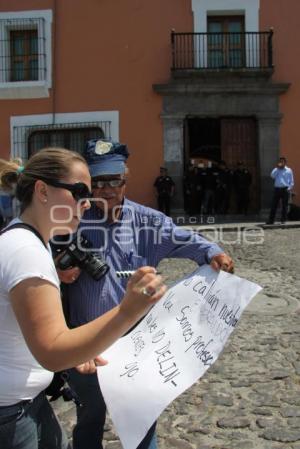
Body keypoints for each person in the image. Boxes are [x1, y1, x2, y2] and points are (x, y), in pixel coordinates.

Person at [58, 138, 234, 449]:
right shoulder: (70, 220)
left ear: (124, 181)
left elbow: (189, 240)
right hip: (86, 346)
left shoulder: (148, 221)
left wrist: (213, 253)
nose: (106, 189)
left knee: (142, 424)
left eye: (113, 180)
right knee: (89, 419)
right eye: (97, 182)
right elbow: (39, 265)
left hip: (137, 348)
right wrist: (58, 271)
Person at [0, 148, 167, 449]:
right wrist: (127, 311)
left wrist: (77, 348)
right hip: (11, 414)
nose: (88, 203)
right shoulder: (26, 251)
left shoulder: (29, 241)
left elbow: (36, 331)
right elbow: (52, 351)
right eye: (79, 192)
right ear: (42, 191)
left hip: (26, 403)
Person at [266, 156, 294, 224]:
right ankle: (271, 220)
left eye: (282, 161)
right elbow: (272, 176)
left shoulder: (289, 170)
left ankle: (283, 220)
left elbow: (291, 181)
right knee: (274, 205)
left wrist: (289, 188)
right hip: (277, 189)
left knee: (284, 206)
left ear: (285, 162)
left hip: (285, 189)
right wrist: (277, 168)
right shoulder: (276, 169)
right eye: (280, 161)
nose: (281, 163)